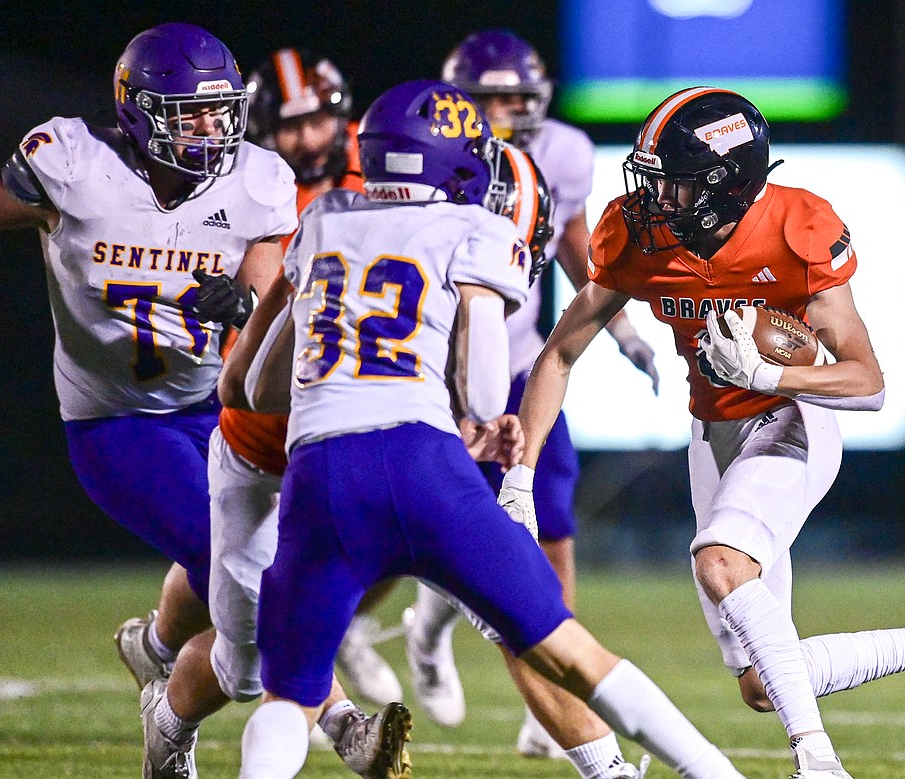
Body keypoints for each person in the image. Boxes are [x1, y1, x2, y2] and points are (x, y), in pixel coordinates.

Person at [231, 78, 747, 779]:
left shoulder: (321, 218)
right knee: (570, 649)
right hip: (422, 464)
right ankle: (714, 774)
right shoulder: (476, 225)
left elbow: (259, 387)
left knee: (290, 694)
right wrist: (483, 422)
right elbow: (479, 387)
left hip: (322, 472)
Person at [503, 86, 905, 778]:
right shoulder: (636, 234)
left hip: (790, 421)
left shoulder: (798, 227)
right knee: (762, 683)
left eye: (671, 186)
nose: (653, 200)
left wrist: (773, 377)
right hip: (712, 433)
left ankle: (819, 760)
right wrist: (520, 475)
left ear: (722, 186)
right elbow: (557, 354)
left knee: (719, 563)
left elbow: (867, 380)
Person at [0, 20, 299, 778]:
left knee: (270, 557)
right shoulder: (73, 164)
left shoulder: (259, 180)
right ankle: (326, 716)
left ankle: (157, 658)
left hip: (215, 407)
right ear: (137, 112)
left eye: (220, 110)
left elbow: (265, 295)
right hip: (115, 417)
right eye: (188, 112)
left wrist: (242, 308)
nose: (209, 128)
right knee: (249, 570)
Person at [403, 28, 661, 758]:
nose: (510, 110)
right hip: (419, 374)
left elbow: (577, 242)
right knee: (411, 531)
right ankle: (423, 630)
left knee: (549, 526)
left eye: (521, 96)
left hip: (514, 366)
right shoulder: (424, 153)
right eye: (492, 99)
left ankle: (561, 685)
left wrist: (624, 331)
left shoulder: (564, 155)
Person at [219, 45, 403, 712]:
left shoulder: (383, 156)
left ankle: (342, 625)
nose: (306, 138)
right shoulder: (257, 187)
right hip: (275, 384)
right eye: (289, 126)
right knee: (236, 561)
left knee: (385, 525)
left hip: (369, 371)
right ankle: (160, 642)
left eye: (317, 121)